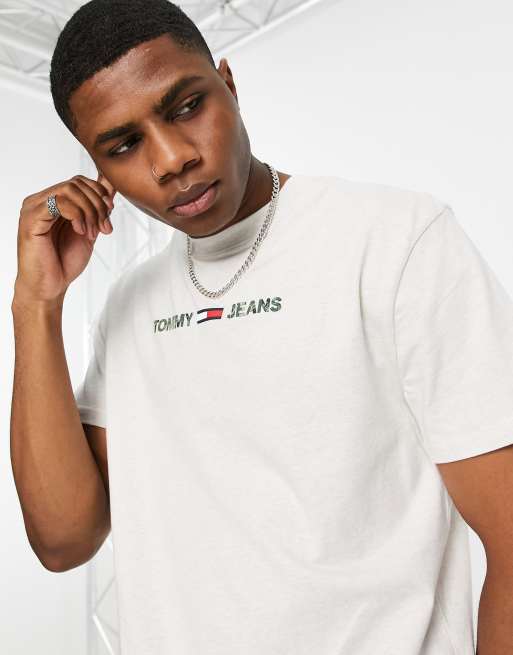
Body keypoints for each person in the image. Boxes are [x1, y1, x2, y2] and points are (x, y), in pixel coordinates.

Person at [10, 0, 513, 653]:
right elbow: (63, 540)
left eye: (186, 106)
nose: (171, 159)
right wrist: (36, 303)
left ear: (228, 83)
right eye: (125, 145)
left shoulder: (396, 240)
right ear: (97, 169)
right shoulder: (130, 302)